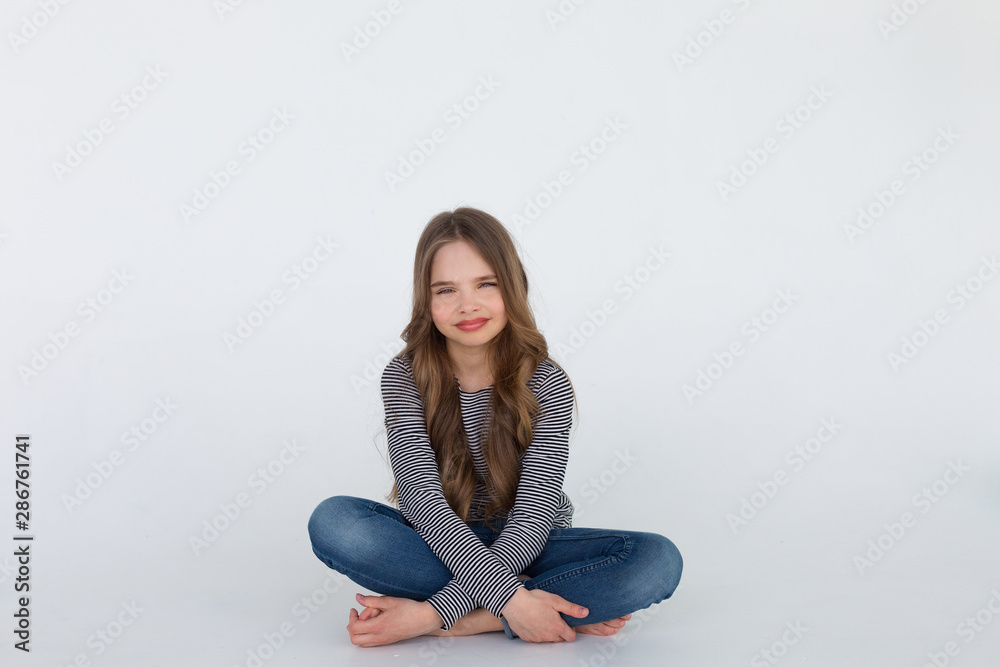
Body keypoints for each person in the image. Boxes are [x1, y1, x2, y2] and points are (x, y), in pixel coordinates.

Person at [307, 206, 682, 647]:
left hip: (533, 543)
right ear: (426, 302)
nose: (468, 305)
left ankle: (475, 619)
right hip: (438, 541)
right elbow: (422, 499)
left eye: (486, 284)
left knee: (657, 560)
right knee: (335, 522)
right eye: (446, 290)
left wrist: (434, 615)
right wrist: (511, 594)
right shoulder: (404, 375)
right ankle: (535, 606)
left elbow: (533, 515)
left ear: (513, 286)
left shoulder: (546, 381)